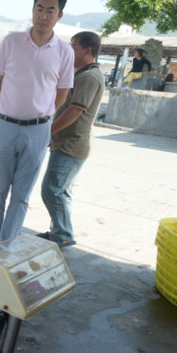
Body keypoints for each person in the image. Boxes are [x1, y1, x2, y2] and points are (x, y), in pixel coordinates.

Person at [0, 0, 74, 249]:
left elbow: (62, 94)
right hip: (5, 128)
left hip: (38, 132)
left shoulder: (65, 51)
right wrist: (14, 108)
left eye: (50, 10)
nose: (43, 15)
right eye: (39, 8)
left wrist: (37, 116)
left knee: (21, 197)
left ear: (59, 15)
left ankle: (6, 248)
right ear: (33, 11)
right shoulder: (11, 42)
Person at [38, 31, 105, 248]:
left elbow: (75, 111)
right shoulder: (83, 74)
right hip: (69, 143)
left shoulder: (89, 77)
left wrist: (48, 131)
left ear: (87, 50)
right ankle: (60, 231)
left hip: (71, 145)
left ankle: (63, 234)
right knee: (63, 192)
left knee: (51, 190)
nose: (69, 49)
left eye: (73, 46)